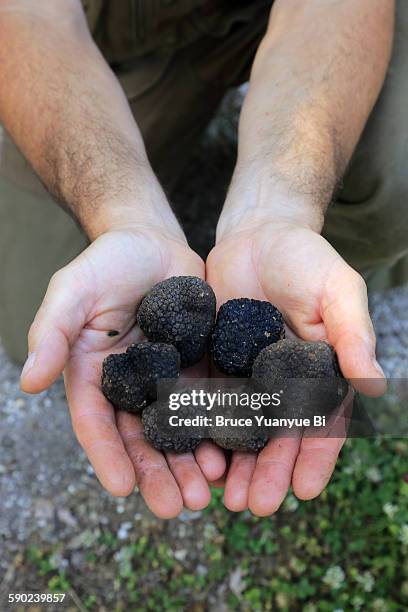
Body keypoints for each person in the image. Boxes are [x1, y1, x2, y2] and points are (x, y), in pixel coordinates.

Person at [0, 0, 402, 518]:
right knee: (27, 308)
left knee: (397, 180)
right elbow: (27, 16)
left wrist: (279, 207)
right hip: (111, 34)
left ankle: (333, 273)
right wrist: (122, 215)